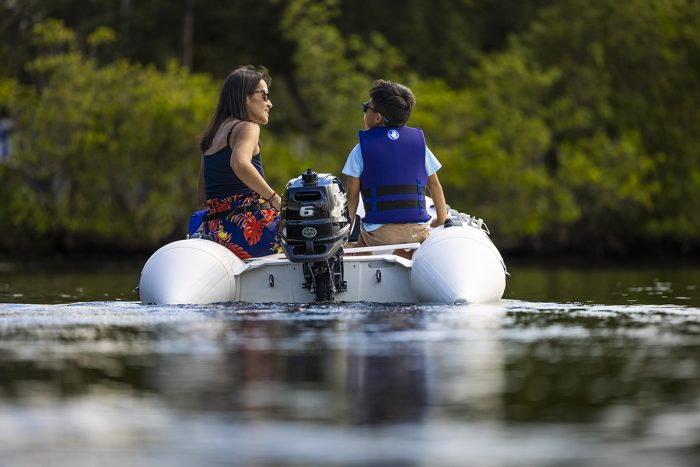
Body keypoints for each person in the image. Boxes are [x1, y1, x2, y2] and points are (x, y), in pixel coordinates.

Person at [342, 79, 449, 258]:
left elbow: (352, 197)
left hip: (379, 234)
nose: (365, 111)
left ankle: (366, 269)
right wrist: (442, 219)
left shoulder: (361, 148)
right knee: (410, 244)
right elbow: (435, 186)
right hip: (417, 231)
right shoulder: (420, 145)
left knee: (359, 240)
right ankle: (401, 258)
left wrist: (345, 236)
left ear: (377, 117)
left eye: (366, 107)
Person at [197, 65, 282, 259]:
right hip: (250, 234)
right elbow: (239, 163)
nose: (269, 104)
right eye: (265, 96)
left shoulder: (212, 136)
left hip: (216, 233)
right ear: (246, 97)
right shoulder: (248, 127)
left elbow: (202, 198)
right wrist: (275, 200)